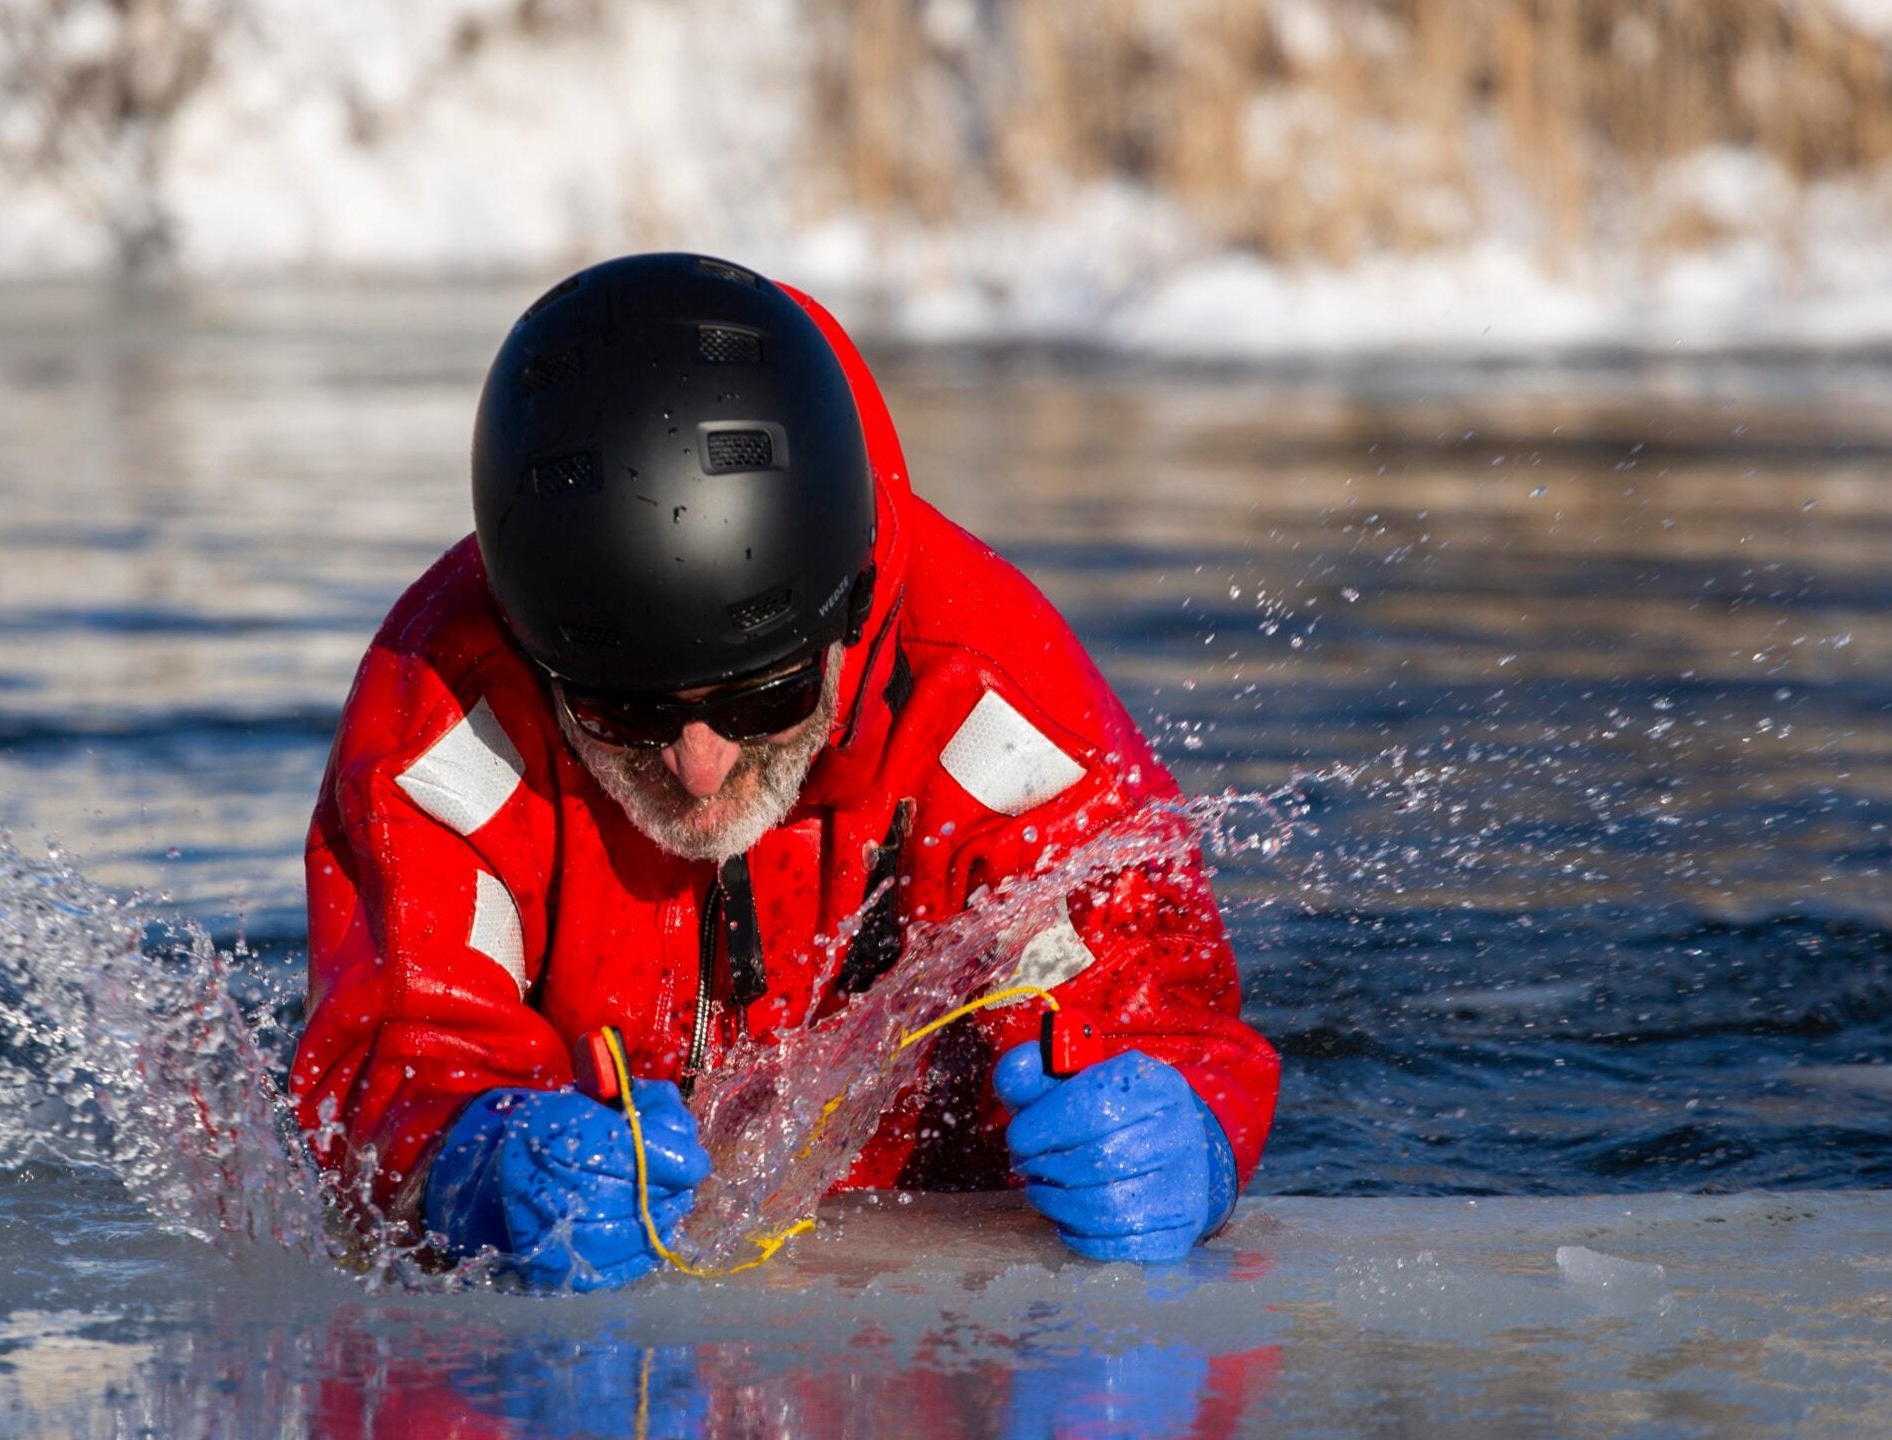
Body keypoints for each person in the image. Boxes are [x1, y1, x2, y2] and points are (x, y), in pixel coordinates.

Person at [289, 253, 1279, 1291]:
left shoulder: (987, 698)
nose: (698, 765)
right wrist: (472, 1163)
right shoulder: (445, 716)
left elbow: (1157, 999)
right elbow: (395, 1049)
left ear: (851, 618)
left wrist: (1188, 1134)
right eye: (623, 710)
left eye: (763, 699)